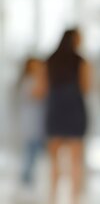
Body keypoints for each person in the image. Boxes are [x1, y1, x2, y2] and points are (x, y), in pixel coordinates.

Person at [45, 29, 91, 204]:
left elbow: (42, 89)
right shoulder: (82, 62)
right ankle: (74, 198)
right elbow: (86, 87)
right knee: (75, 159)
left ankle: (53, 197)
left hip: (55, 109)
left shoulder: (49, 61)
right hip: (74, 109)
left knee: (54, 160)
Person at [14, 57, 46, 191]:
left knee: (34, 155)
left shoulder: (36, 80)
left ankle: (30, 182)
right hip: (30, 124)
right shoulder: (28, 82)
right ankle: (26, 183)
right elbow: (38, 94)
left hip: (38, 124)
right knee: (30, 155)